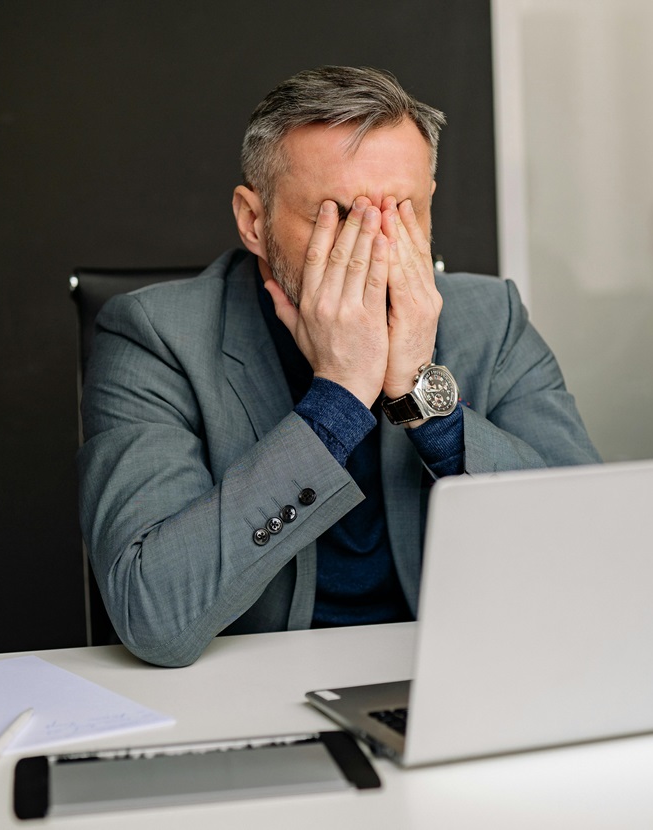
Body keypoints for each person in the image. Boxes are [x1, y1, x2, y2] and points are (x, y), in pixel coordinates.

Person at [78, 66, 600, 667]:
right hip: (254, 689)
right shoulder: (154, 337)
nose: (376, 249)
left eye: (403, 214)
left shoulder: (492, 319)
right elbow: (155, 617)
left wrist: (425, 404)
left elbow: (593, 553)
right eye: (340, 217)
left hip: (460, 674)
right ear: (254, 220)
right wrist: (340, 397)